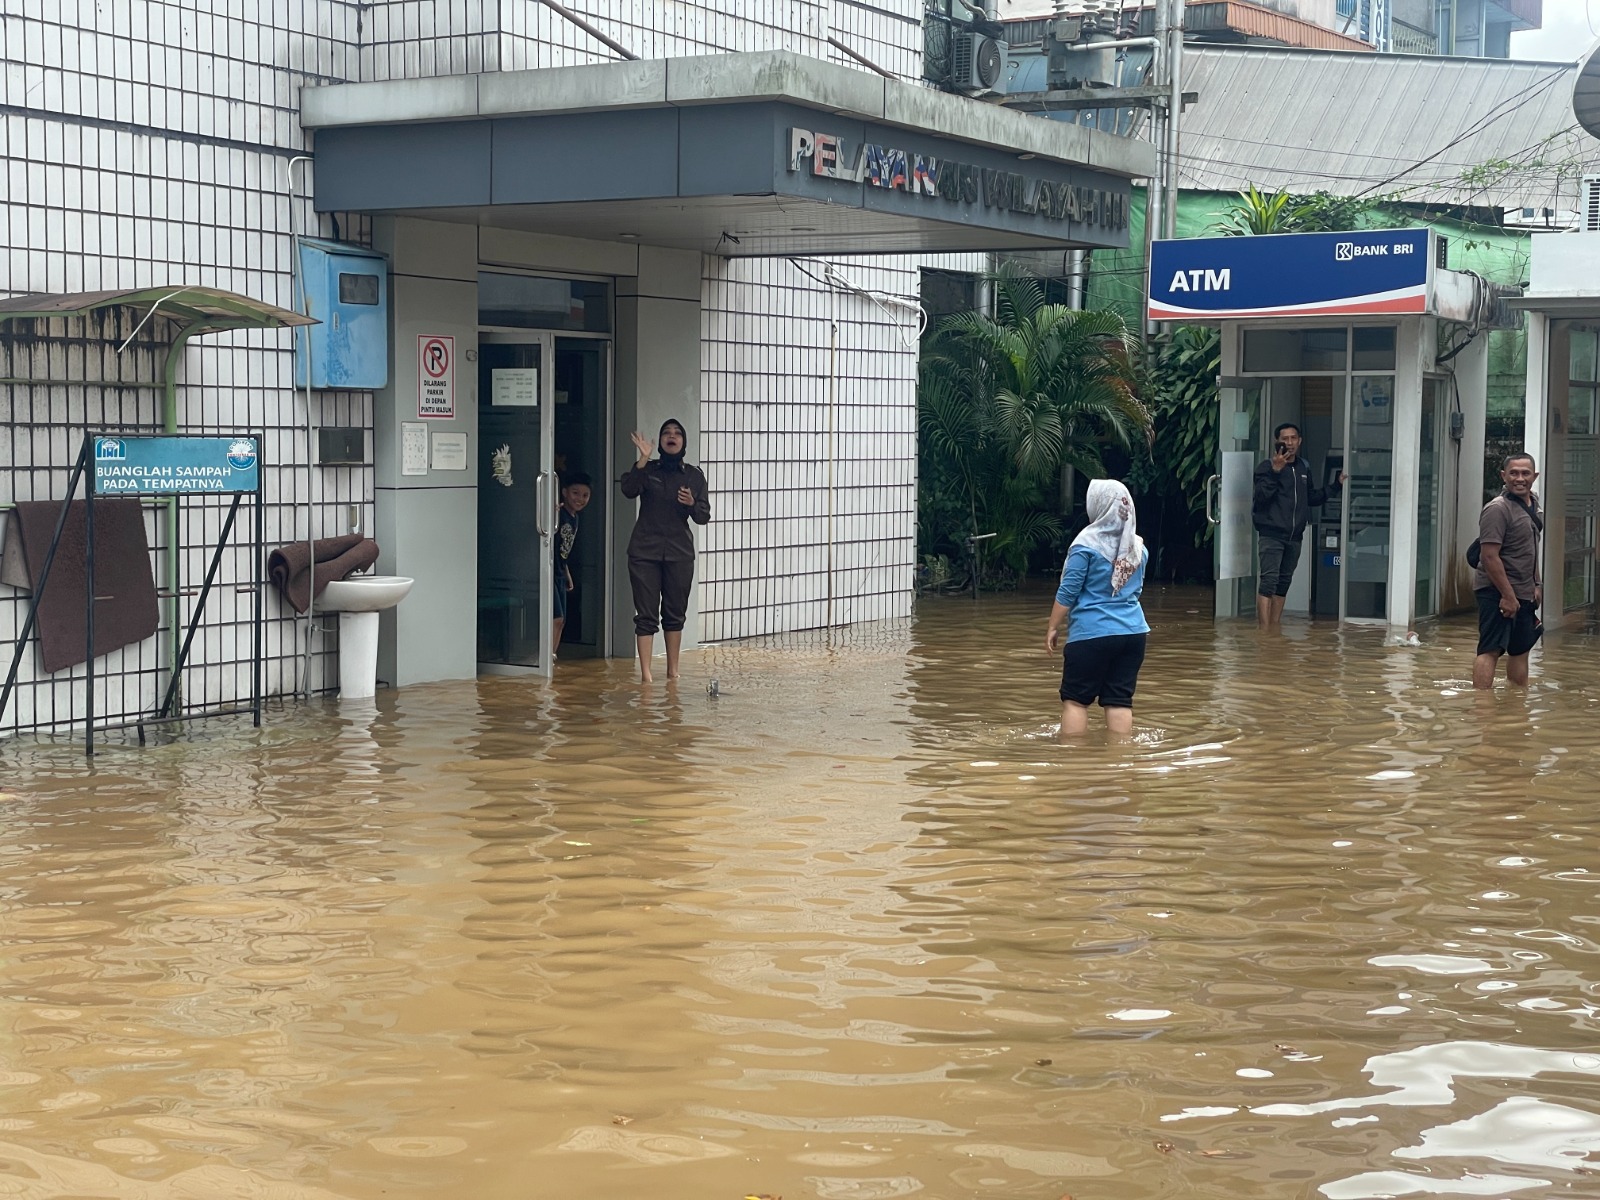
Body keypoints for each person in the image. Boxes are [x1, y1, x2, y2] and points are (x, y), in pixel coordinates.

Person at [1045, 479, 1150, 739]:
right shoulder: (1138, 547)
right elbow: (1135, 592)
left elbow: (1068, 592)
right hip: (1133, 635)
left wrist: (1052, 627)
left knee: (1076, 701)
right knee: (1119, 700)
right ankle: (1120, 764)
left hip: (1092, 635)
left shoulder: (1085, 546)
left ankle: (1074, 764)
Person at [621, 419, 711, 682]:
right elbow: (628, 489)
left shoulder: (694, 475)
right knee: (646, 614)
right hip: (644, 552)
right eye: (666, 433)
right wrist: (642, 459)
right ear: (659, 441)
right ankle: (646, 677)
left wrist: (693, 503)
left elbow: (704, 516)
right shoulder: (647, 470)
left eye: (677, 433)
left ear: (683, 441)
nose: (672, 437)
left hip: (679, 553)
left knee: (674, 613)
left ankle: (673, 672)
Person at [1252, 422, 1344, 626]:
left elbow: (1310, 497)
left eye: (1293, 438)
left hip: (1295, 537)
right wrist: (1276, 472)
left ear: (1300, 441)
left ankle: (1274, 628)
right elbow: (1260, 498)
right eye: (1285, 439)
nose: (1290, 443)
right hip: (1271, 534)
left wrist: (1336, 485)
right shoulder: (1266, 467)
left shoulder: (1304, 467)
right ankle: (1264, 631)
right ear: (1277, 442)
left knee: (1283, 583)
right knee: (1268, 582)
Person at [1472, 452, 1543, 690]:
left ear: (1535, 476)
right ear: (1504, 476)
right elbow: (1489, 556)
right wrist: (1508, 596)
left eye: (1525, 473)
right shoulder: (1497, 509)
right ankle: (1483, 708)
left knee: (1520, 650)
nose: (1519, 478)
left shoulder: (1534, 504)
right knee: (1490, 649)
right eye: (1513, 473)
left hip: (1525, 592)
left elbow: (1530, 550)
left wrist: (1537, 584)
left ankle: (1516, 708)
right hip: (1496, 592)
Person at [552, 472, 592, 655]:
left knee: (561, 620)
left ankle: (552, 656)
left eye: (585, 495)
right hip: (550, 571)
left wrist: (566, 571)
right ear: (564, 492)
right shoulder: (557, 515)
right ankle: (548, 658)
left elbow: (564, 549)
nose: (580, 499)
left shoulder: (575, 518)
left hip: (560, 571)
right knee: (556, 618)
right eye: (575, 493)